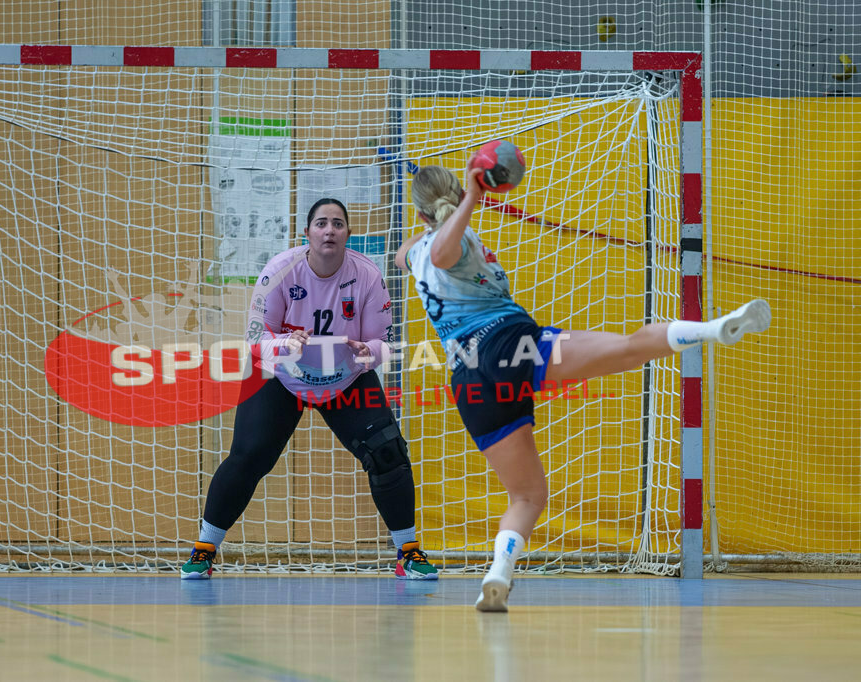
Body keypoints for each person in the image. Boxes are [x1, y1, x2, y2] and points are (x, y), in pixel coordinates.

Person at [395, 163, 771, 611]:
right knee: (629, 349)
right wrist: (473, 197)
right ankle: (710, 329)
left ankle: (498, 573)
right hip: (510, 345)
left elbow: (408, 254)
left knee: (527, 494)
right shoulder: (449, 244)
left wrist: (439, 209)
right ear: (457, 200)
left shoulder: (414, 253)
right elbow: (442, 253)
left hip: (468, 375)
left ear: (421, 215)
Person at [181, 198, 438, 581]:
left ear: (348, 233)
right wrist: (286, 344)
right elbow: (255, 341)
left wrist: (369, 352)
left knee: (387, 452)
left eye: (337, 223)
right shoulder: (279, 272)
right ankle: (204, 550)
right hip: (280, 374)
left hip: (345, 377)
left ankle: (408, 552)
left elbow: (384, 344)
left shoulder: (368, 275)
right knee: (248, 457)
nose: (329, 230)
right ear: (307, 233)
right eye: (321, 223)